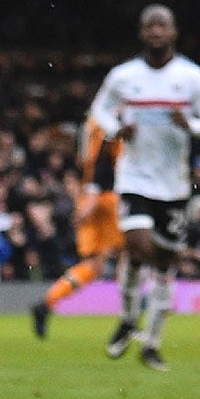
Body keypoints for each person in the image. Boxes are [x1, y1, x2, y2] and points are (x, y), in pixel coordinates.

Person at [89, 5, 200, 372]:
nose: (155, 31)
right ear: (141, 32)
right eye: (149, 24)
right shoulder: (124, 76)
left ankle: (151, 341)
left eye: (162, 24)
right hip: (133, 179)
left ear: (174, 31)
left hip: (175, 186)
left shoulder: (192, 77)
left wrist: (191, 124)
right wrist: (116, 129)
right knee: (139, 246)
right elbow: (99, 111)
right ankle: (129, 315)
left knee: (162, 262)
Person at [30, 122, 125, 337]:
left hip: (89, 195)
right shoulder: (112, 122)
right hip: (109, 196)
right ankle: (130, 318)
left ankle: (46, 304)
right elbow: (105, 160)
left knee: (94, 264)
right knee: (130, 254)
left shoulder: (91, 124)